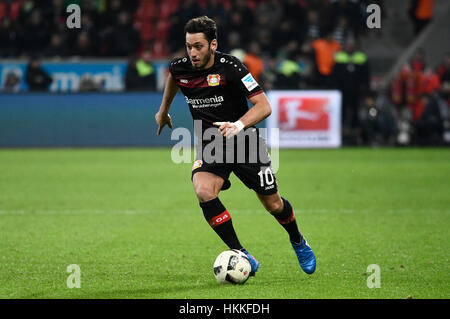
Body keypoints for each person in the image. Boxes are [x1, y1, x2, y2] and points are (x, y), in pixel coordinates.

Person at [154, 16, 316, 277]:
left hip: (245, 142)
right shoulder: (180, 67)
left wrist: (238, 125)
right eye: (188, 46)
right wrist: (163, 110)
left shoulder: (232, 68)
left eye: (198, 46)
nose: (192, 53)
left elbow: (264, 106)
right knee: (204, 190)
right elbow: (174, 77)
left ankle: (297, 240)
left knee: (274, 205)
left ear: (213, 44)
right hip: (211, 144)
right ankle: (242, 253)